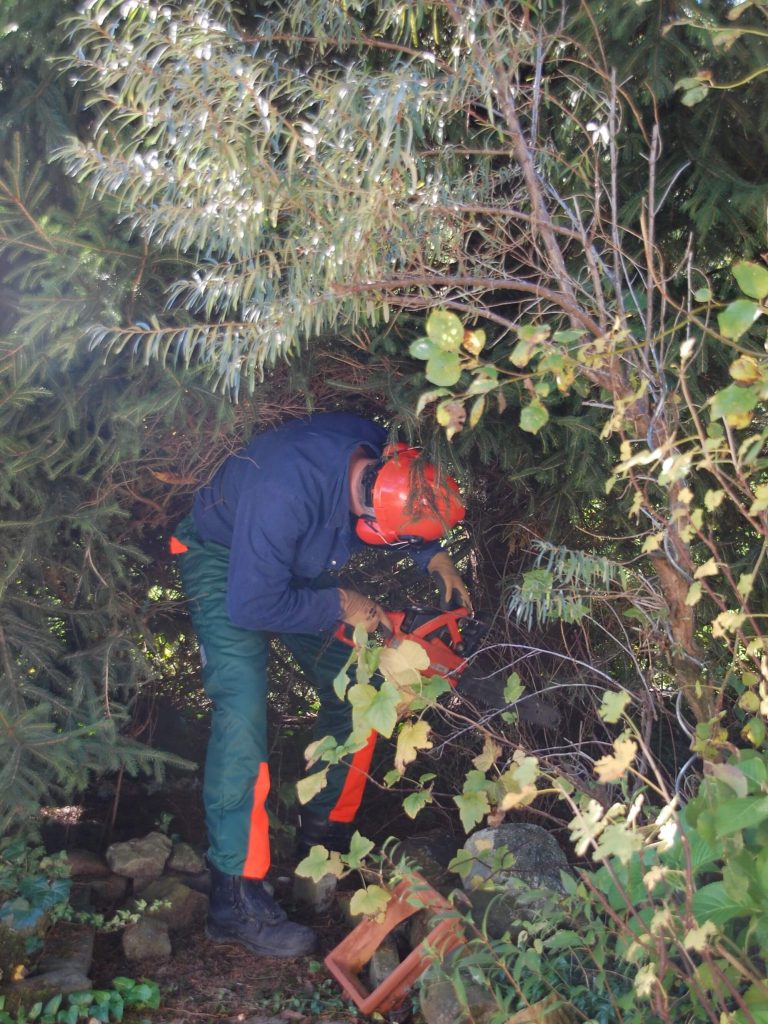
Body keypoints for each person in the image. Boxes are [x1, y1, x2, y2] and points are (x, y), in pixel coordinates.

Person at [170, 412, 470, 958]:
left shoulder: (374, 448)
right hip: (226, 562)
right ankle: (233, 900)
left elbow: (409, 499)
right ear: (374, 523)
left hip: (288, 564)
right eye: (396, 540)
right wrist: (344, 603)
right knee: (241, 709)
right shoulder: (285, 493)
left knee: (359, 688)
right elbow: (253, 602)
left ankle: (323, 850)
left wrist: (434, 555)